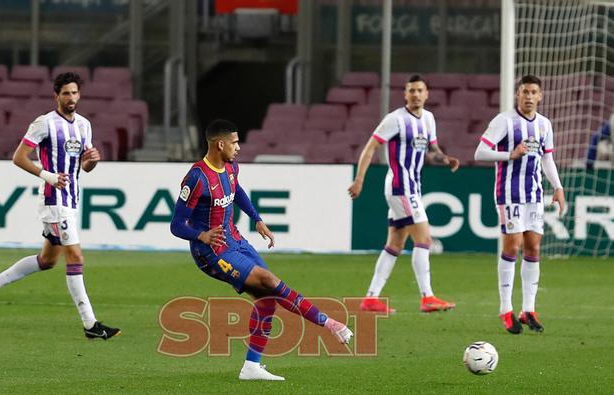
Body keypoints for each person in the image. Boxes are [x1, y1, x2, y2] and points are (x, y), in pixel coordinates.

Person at [170, 119, 353, 381]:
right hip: (211, 253)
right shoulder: (197, 177)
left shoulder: (231, 167)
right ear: (220, 144)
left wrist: (257, 218)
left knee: (267, 300)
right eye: (234, 142)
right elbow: (176, 225)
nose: (238, 147)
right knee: (269, 280)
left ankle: (251, 367)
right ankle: (330, 324)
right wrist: (201, 235)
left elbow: (237, 192)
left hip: (235, 240)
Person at [0, 72, 120, 340]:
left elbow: (85, 166)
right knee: (75, 257)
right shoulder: (44, 124)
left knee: (47, 260)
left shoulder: (84, 126)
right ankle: (90, 325)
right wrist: (48, 176)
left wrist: (94, 160)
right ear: (56, 96)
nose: (71, 98)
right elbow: (19, 157)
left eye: (75, 93)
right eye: (66, 93)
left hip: (72, 199)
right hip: (54, 201)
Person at [348, 74, 460, 314]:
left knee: (395, 244)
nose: (416, 94)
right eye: (412, 91)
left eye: (420, 90)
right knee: (424, 239)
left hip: (412, 186)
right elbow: (370, 148)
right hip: (400, 186)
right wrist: (359, 180)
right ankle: (427, 297)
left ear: (427, 93)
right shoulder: (395, 119)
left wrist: (445, 159)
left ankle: (371, 298)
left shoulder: (429, 119)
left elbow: (432, 150)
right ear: (405, 94)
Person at [474, 74, 566, 334]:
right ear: (517, 94)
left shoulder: (545, 125)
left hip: (534, 195)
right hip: (509, 193)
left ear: (540, 96)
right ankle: (506, 309)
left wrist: (558, 188)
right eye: (524, 92)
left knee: (533, 247)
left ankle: (528, 309)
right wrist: (509, 154)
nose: (528, 96)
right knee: (512, 245)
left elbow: (547, 159)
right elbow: (480, 152)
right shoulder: (504, 121)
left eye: (533, 92)